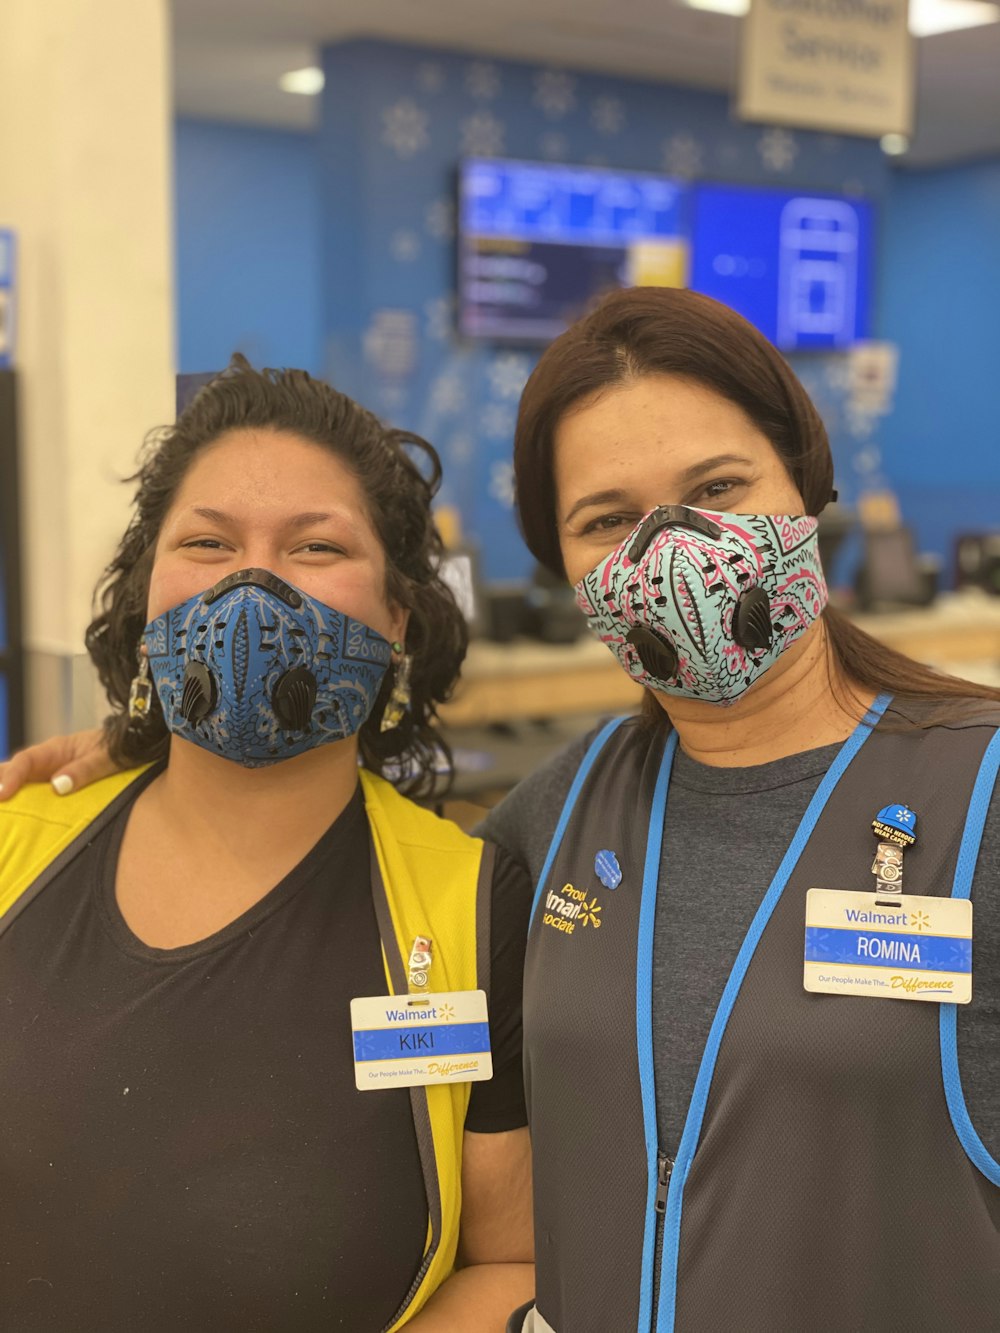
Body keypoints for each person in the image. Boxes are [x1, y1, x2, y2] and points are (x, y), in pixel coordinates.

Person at [10, 289, 1000, 1332]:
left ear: (806, 484)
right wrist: (138, 751)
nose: (672, 551)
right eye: (608, 520)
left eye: (716, 487)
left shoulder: (977, 790)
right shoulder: (552, 827)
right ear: (570, 569)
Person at [0, 357, 534, 1332]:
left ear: (396, 618)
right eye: (206, 541)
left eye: (315, 546)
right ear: (146, 599)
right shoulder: (16, 845)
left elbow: (509, 1257)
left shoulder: (470, 903)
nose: (251, 584)